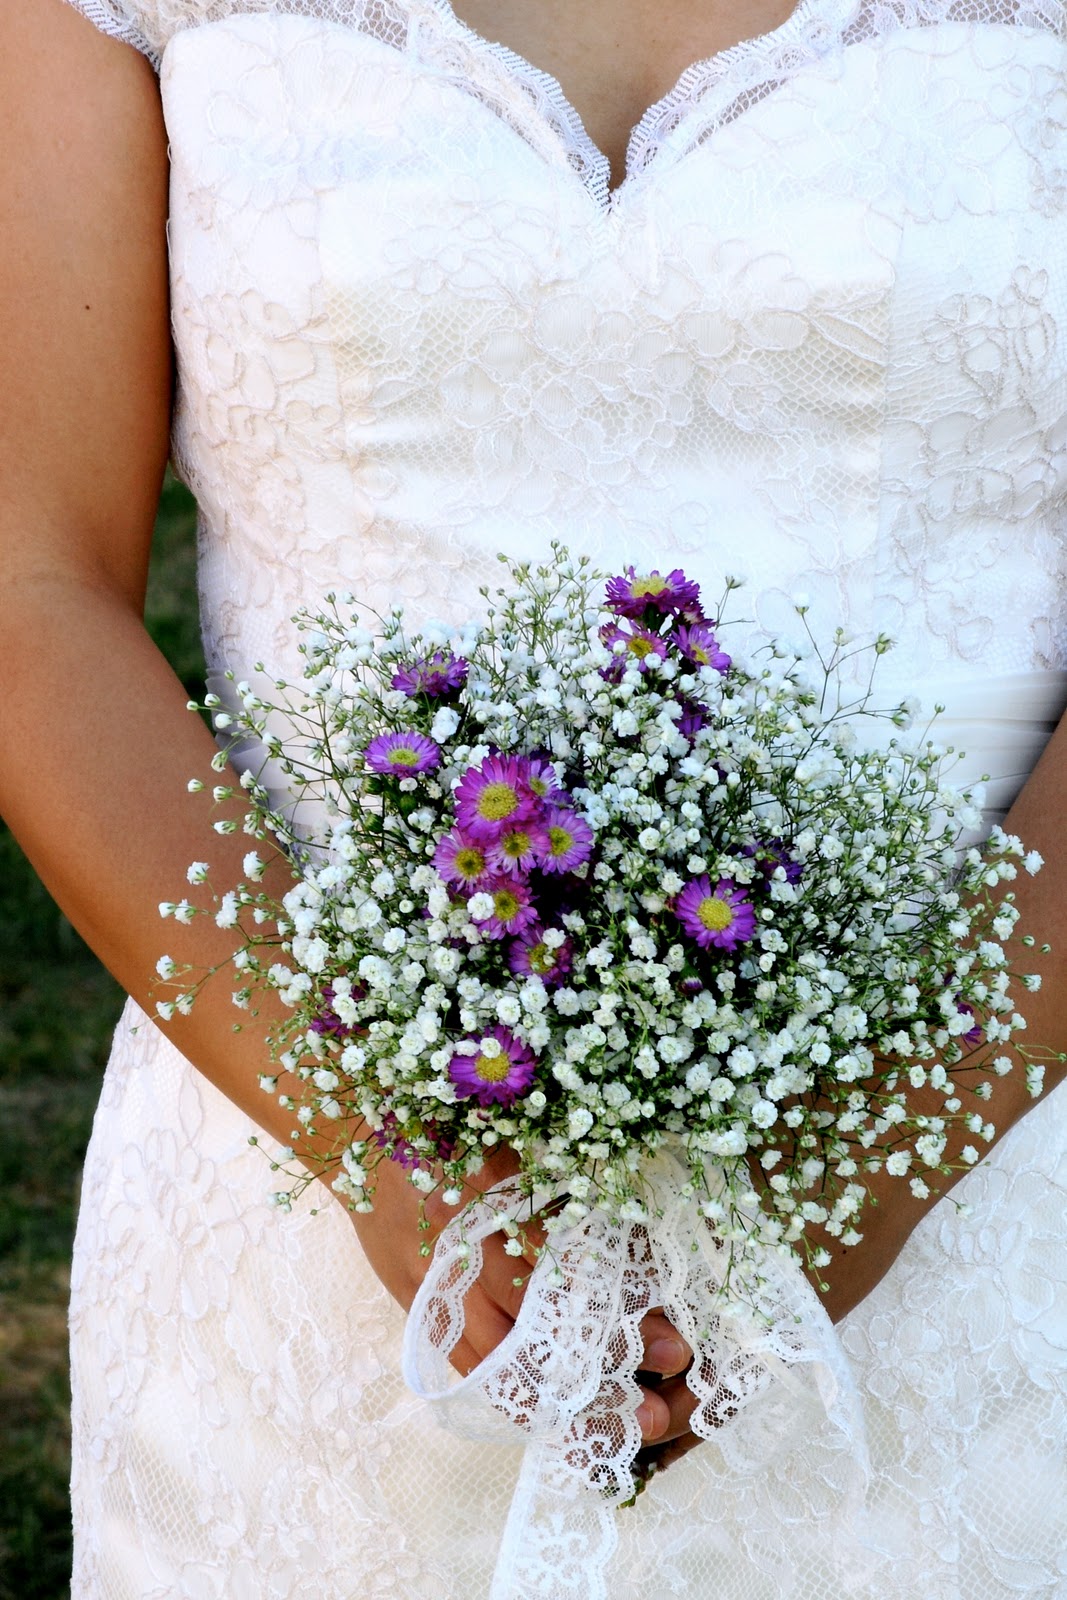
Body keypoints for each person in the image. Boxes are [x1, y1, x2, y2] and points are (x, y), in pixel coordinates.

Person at [2, 0, 1067, 1592]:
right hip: (319, 1234)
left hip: (987, 1176)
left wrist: (898, 1137)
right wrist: (365, 1133)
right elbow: (31, 588)